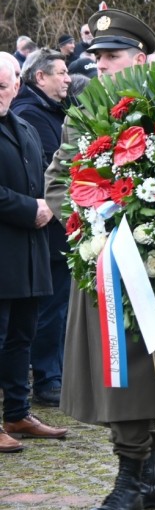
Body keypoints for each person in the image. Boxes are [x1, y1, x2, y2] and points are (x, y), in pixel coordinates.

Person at [44, 9, 155, 510]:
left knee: (134, 370)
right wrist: (87, 219)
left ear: (139, 59)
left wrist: (145, 227)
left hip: (149, 265)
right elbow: (57, 179)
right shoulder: (83, 113)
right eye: (96, 57)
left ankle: (131, 480)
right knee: (111, 369)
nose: (101, 65)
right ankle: (148, 474)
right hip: (98, 259)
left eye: (112, 55)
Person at [0, 55, 65, 454]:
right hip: (5, 247)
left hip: (29, 252)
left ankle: (17, 413)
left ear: (17, 86)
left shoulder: (23, 126)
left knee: (21, 336)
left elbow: (44, 175)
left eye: (1, 86)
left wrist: (50, 204)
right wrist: (32, 209)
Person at [12, 48, 72, 407]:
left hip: (58, 225)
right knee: (50, 308)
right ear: (40, 77)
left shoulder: (56, 110)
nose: (68, 78)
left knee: (58, 305)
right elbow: (50, 167)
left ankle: (55, 373)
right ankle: (48, 378)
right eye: (61, 72)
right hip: (46, 227)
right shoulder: (30, 114)